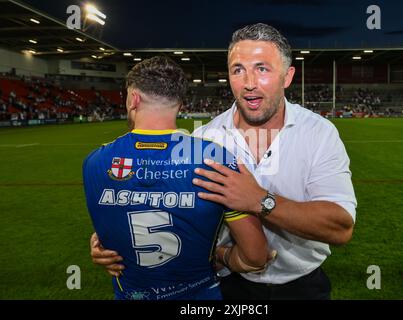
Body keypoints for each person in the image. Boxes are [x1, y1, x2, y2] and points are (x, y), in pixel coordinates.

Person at [91, 23, 357, 300]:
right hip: (227, 284)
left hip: (302, 287)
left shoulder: (318, 132)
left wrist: (259, 200)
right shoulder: (204, 139)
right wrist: (112, 240)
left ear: (287, 76)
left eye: (262, 68)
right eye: (238, 70)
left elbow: (340, 228)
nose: (249, 83)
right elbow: (164, 209)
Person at [83, 56, 271, 300]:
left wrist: (99, 246)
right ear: (180, 104)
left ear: (133, 99)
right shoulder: (214, 158)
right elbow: (256, 256)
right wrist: (221, 256)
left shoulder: (95, 162)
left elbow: (108, 237)